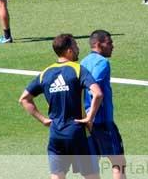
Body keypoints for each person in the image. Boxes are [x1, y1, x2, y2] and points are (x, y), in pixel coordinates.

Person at [19, 34, 103, 179]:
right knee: (91, 175)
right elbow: (98, 94)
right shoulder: (78, 70)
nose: (78, 49)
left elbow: (24, 99)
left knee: (57, 175)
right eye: (76, 46)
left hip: (56, 134)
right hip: (78, 133)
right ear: (69, 50)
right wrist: (89, 117)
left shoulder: (45, 73)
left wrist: (43, 119)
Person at [81, 30, 127, 179]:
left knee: (92, 166)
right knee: (118, 163)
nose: (112, 46)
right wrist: (92, 114)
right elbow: (94, 88)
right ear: (98, 44)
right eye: (109, 43)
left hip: (87, 123)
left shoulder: (83, 62)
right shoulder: (102, 62)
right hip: (102, 121)